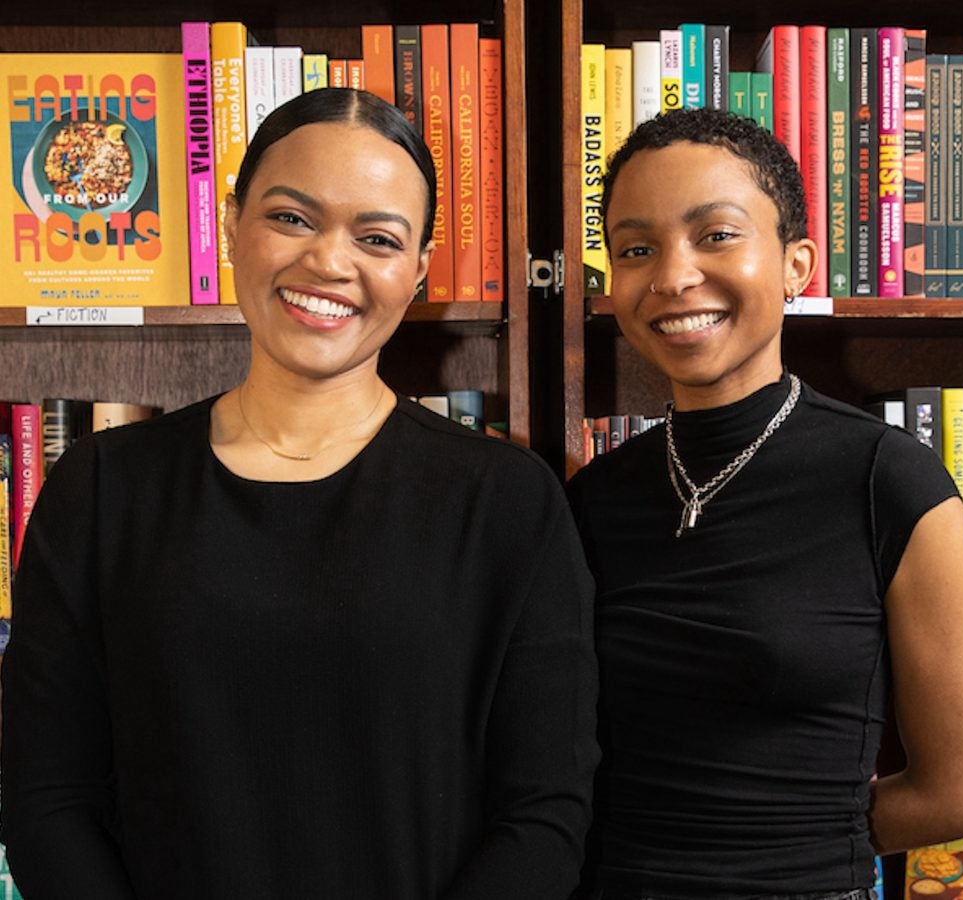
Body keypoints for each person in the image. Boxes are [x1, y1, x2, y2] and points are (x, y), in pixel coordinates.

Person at [1, 87, 599, 899]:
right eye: (291, 218)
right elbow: (47, 798)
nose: (328, 262)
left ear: (417, 271)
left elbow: (542, 816)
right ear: (230, 223)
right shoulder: (101, 492)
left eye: (378, 237)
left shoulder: (505, 503)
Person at [566, 107, 963, 899]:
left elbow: (956, 795)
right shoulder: (591, 497)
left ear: (797, 263)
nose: (672, 275)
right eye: (636, 249)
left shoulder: (888, 479)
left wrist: (792, 845)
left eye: (716, 234)